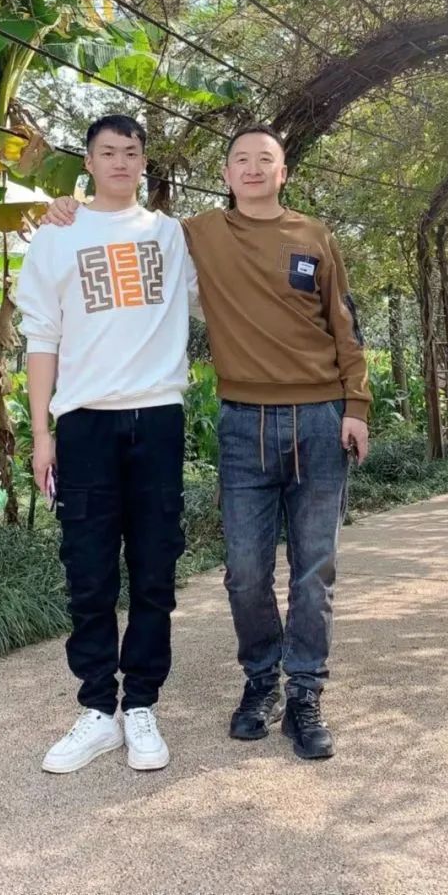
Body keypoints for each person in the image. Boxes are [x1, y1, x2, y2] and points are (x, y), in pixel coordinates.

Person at [44, 125, 370, 761]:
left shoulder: (314, 236)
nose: (252, 168)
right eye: (240, 159)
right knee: (245, 572)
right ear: (226, 174)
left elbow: (344, 323)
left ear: (282, 172)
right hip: (243, 422)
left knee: (315, 569)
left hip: (320, 417)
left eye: (265, 160)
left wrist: (355, 405)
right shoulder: (191, 234)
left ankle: (304, 692)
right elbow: (117, 220)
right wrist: (64, 208)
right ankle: (261, 681)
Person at [14, 114, 200, 775]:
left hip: (158, 416)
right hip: (84, 422)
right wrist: (42, 433)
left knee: (154, 567)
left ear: (144, 162)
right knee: (88, 570)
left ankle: (142, 703)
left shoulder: (170, 235)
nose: (122, 161)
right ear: (89, 163)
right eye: (109, 152)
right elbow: (42, 336)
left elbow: (218, 294)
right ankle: (98, 708)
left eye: (132, 152)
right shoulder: (56, 236)